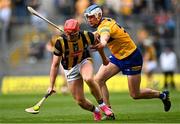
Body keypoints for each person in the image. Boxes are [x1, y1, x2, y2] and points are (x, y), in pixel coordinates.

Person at [84, 4, 171, 119]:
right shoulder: (103, 23)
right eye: (87, 17)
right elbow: (96, 34)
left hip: (132, 58)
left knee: (135, 94)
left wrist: (103, 43)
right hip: (118, 57)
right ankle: (109, 112)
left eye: (91, 17)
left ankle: (162, 95)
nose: (89, 19)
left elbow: (104, 35)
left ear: (98, 15)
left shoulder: (105, 26)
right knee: (98, 79)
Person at [47, 19, 113, 121]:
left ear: (78, 31)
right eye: (68, 34)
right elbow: (55, 65)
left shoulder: (86, 35)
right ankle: (96, 111)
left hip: (84, 61)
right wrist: (51, 85)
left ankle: (103, 105)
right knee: (80, 101)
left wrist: (104, 59)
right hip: (70, 69)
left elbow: (99, 46)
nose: (69, 36)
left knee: (89, 78)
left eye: (72, 34)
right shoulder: (60, 42)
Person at [46, 25, 69, 95]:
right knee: (53, 73)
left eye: (60, 30)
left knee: (63, 73)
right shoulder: (53, 38)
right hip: (55, 58)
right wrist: (54, 49)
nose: (59, 31)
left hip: (63, 58)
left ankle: (64, 88)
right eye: (58, 29)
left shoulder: (65, 38)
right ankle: (53, 87)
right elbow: (48, 46)